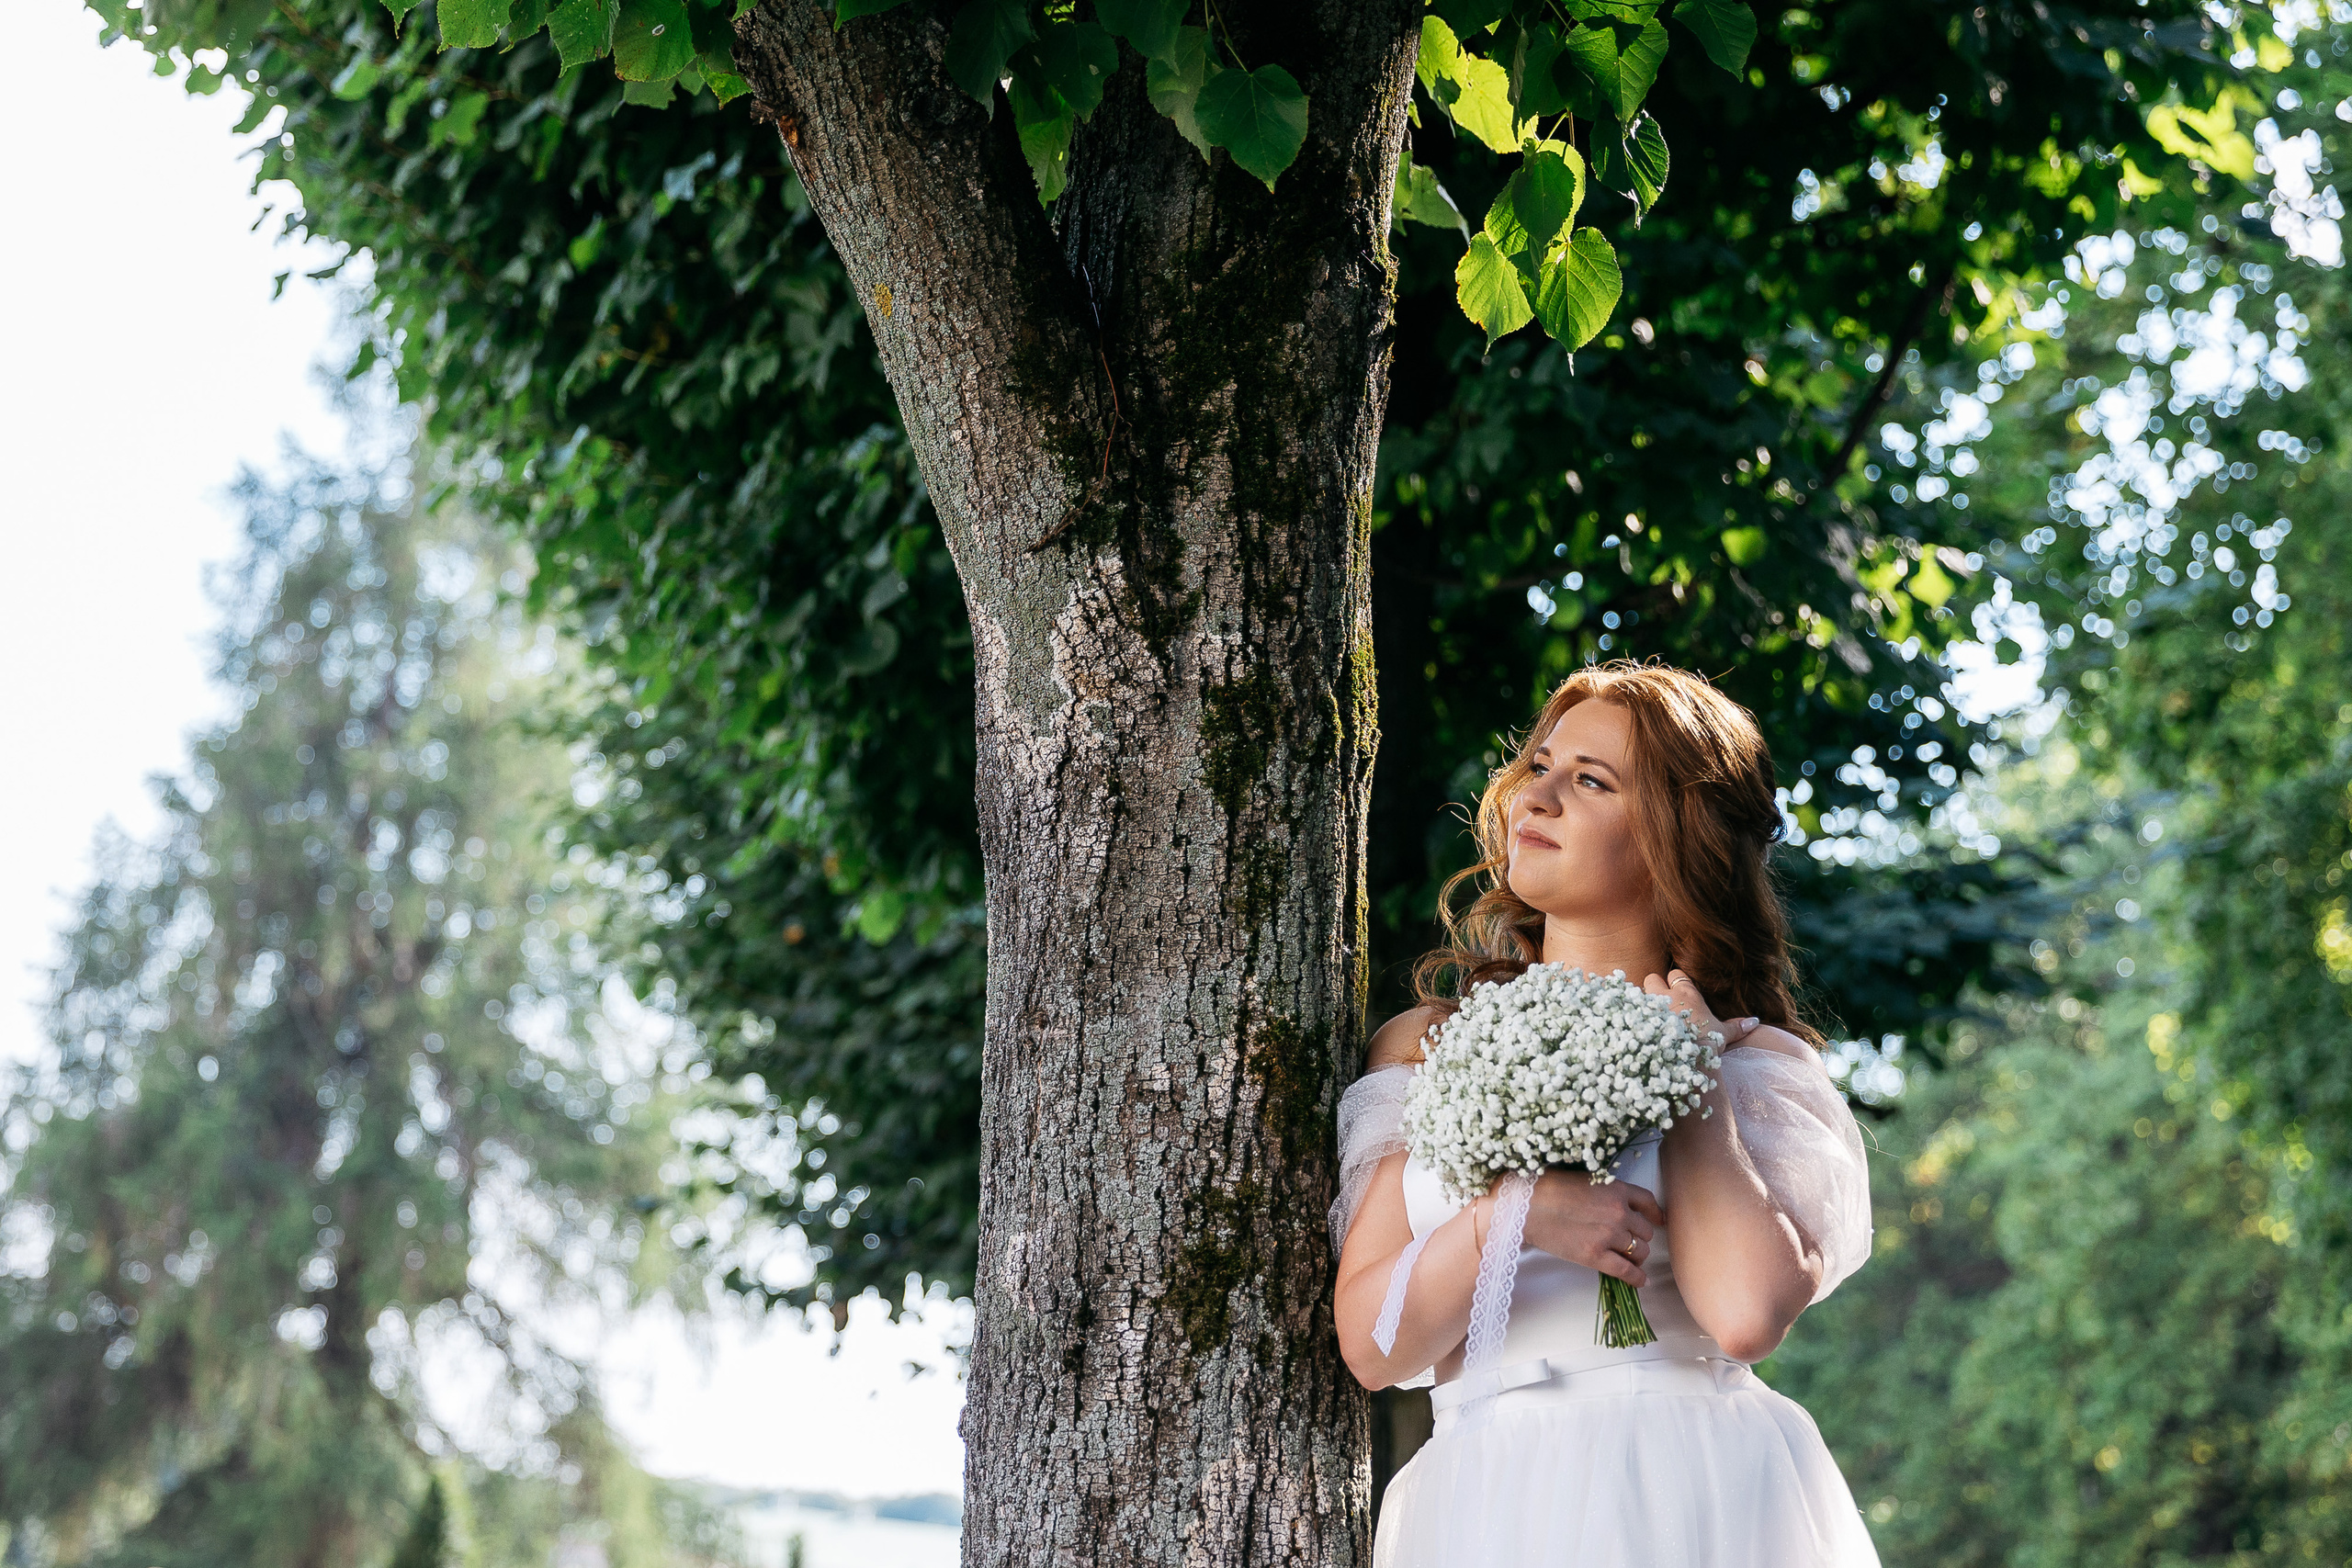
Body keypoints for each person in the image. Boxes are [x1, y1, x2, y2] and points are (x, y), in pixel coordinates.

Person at [1332, 660, 1881, 1566]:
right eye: (1538, 766)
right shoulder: (1424, 1046)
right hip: (1484, 1501)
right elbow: (1372, 1347)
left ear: (1676, 838)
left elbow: (1744, 1317)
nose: (1533, 797)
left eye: (1588, 781)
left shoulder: (1750, 1061)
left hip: (1693, 1485)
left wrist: (1691, 1077)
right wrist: (1514, 1220)